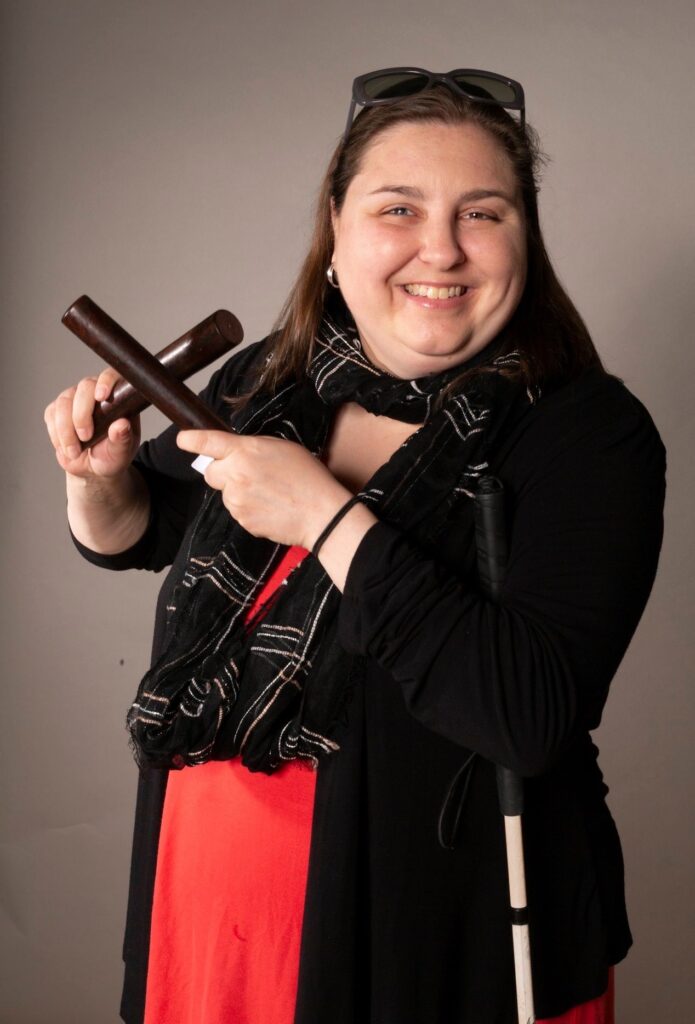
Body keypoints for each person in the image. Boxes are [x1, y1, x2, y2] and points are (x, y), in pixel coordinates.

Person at [44, 69, 666, 1024]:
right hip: (207, 927)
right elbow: (139, 537)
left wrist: (329, 520)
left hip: (432, 948)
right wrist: (100, 482)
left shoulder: (586, 434)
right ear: (336, 228)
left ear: (524, 242)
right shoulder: (271, 381)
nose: (441, 248)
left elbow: (528, 715)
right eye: (397, 207)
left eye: (482, 213)